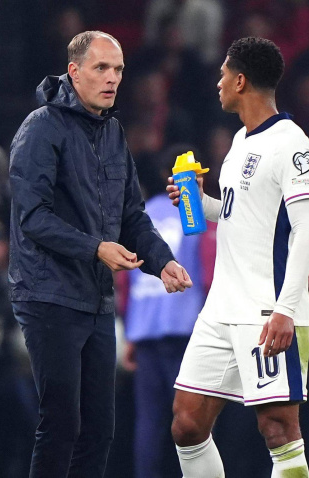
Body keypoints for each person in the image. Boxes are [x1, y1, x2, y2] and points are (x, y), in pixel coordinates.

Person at [9, 30, 192, 478]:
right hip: (47, 294)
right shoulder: (41, 127)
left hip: (96, 300)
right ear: (74, 72)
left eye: (119, 70)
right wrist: (95, 248)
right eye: (101, 68)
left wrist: (162, 260)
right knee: (61, 424)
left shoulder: (113, 132)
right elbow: (32, 216)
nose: (112, 79)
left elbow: (132, 215)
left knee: (100, 430)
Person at [166, 37, 309, 477]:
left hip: (267, 309)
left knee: (278, 428)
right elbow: (237, 213)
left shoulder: (292, 143)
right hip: (221, 307)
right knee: (187, 423)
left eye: (222, 74)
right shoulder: (239, 140)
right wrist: (198, 200)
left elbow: (307, 229)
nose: (217, 82)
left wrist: (285, 310)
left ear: (240, 80)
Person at [122, 147, 210, 478]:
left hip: (144, 328)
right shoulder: (192, 212)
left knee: (149, 419)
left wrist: (130, 331)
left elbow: (128, 279)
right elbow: (207, 266)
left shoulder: (141, 216)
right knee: (192, 418)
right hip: (187, 325)